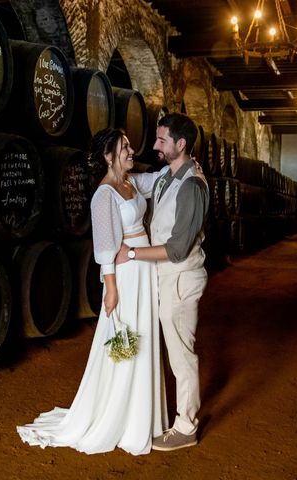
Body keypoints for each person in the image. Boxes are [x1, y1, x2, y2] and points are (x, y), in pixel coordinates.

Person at [16, 128, 166, 455]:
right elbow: (105, 248)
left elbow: (157, 180)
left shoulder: (131, 182)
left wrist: (181, 165)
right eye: (123, 147)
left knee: (144, 336)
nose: (130, 150)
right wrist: (110, 288)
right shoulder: (104, 195)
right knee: (127, 342)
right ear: (107, 157)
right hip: (124, 275)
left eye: (128, 145)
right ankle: (119, 416)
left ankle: (142, 415)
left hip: (144, 268)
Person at [117, 112, 209, 452]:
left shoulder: (192, 186)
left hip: (181, 279)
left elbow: (178, 248)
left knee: (182, 355)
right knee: (171, 351)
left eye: (161, 140)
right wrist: (117, 164)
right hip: (166, 279)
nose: (154, 145)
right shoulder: (167, 176)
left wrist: (131, 254)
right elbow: (139, 182)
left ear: (180, 144)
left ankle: (187, 426)